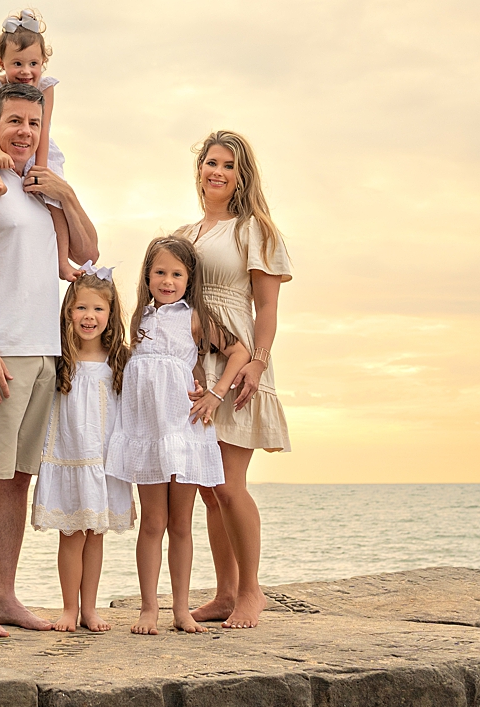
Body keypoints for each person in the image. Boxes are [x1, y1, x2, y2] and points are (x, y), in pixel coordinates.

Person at [0, 82, 99, 639]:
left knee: (16, 480)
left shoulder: (39, 189)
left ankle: (3, 596)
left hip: (43, 354)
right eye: (14, 122)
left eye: (34, 122)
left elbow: (86, 253)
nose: (24, 131)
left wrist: (67, 194)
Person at [105, 236, 250, 635]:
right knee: (152, 521)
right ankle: (148, 608)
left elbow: (239, 352)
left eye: (176, 274)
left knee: (181, 524)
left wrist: (216, 394)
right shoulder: (139, 319)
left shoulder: (195, 318)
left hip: (184, 431)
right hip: (147, 432)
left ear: (190, 279)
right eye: (160, 273)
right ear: (147, 276)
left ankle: (181, 610)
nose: (167, 281)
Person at [181, 130, 293, 630]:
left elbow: (266, 307)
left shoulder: (255, 230)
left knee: (229, 485)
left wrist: (259, 362)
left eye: (228, 164)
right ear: (199, 168)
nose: (217, 171)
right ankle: (224, 592)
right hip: (193, 364)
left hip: (237, 361)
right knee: (208, 487)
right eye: (210, 162)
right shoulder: (185, 235)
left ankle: (251, 592)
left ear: (241, 174)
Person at [31, 266, 135, 632]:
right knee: (72, 535)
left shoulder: (118, 359)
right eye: (80, 309)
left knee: (96, 535)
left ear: (111, 315)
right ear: (67, 312)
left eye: (98, 310)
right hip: (70, 456)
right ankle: (68, 609)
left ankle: (90, 608)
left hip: (105, 459)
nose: (89, 317)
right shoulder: (60, 357)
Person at [0, 8, 75, 280]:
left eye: (33, 63)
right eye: (17, 64)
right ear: (1, 61)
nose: (25, 71)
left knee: (55, 202)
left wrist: (40, 170)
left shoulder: (46, 87)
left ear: (43, 61)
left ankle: (62, 260)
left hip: (34, 145)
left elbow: (44, 127)